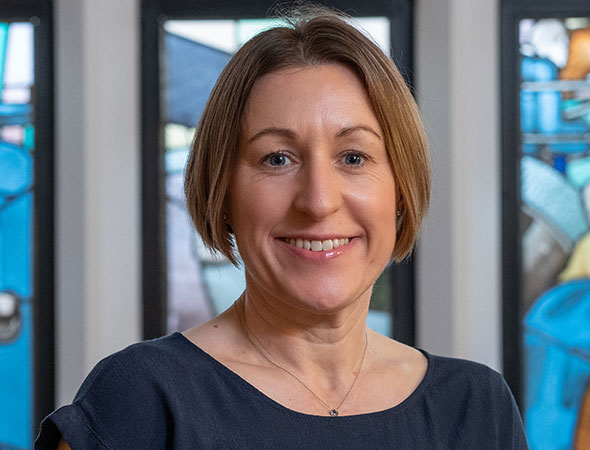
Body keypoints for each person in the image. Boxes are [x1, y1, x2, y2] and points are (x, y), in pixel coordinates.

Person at [36, 6, 528, 449]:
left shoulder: (476, 408)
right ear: (222, 191)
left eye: (353, 157)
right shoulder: (140, 400)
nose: (318, 201)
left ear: (400, 190)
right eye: (277, 158)